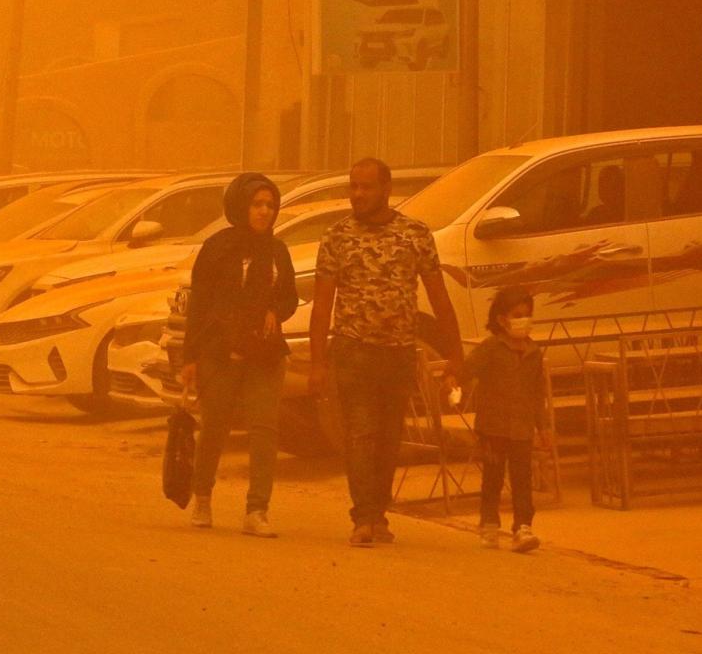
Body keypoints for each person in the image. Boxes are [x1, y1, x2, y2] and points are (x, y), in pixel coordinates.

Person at [309, 158, 463, 547]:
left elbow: (439, 297)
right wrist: (317, 363)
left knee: (389, 437)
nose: (357, 195)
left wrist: (456, 355)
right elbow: (322, 304)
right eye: (353, 186)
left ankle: (379, 511)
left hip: (397, 353)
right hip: (353, 349)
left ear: (386, 189)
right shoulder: (337, 237)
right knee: (360, 433)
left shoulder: (414, 235)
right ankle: (363, 516)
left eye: (366, 187)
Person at [178, 173, 299, 538]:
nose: (264, 212)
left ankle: (257, 509)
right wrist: (190, 358)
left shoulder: (277, 251)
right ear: (240, 207)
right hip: (221, 352)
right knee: (215, 425)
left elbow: (290, 296)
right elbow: (199, 305)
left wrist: (274, 309)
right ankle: (202, 496)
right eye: (257, 205)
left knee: (265, 429)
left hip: (264, 353)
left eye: (270, 205)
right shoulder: (217, 248)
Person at [453, 286, 549, 553]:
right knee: (493, 477)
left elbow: (536, 392)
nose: (523, 320)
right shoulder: (491, 349)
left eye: (527, 315)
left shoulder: (533, 353)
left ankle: (522, 526)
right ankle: (489, 523)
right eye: (517, 315)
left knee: (522, 479)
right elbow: (468, 370)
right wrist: (452, 381)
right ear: (501, 320)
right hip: (493, 427)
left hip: (521, 427)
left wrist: (544, 427)